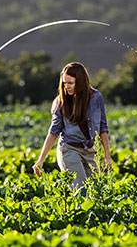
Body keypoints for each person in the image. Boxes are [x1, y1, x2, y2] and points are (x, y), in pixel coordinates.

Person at [32, 62, 112, 193]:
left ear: (80, 82)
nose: (66, 87)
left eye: (70, 83)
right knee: (81, 191)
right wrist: (41, 160)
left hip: (91, 151)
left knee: (96, 192)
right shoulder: (61, 102)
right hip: (69, 149)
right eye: (64, 83)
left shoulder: (96, 97)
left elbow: (103, 127)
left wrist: (107, 156)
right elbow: (53, 132)